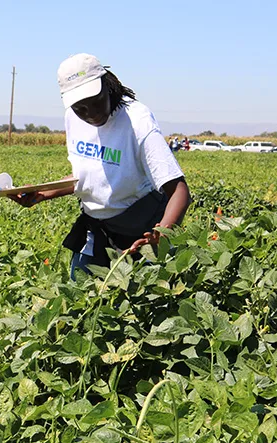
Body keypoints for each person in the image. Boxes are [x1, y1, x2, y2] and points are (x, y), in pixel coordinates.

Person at [10, 53, 191, 278]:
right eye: (80, 108)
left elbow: (180, 191)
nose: (91, 114)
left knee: (136, 305)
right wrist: (42, 192)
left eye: (95, 101)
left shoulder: (137, 120)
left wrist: (161, 234)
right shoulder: (73, 117)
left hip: (140, 232)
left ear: (108, 85)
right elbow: (89, 174)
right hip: (96, 228)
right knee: (81, 299)